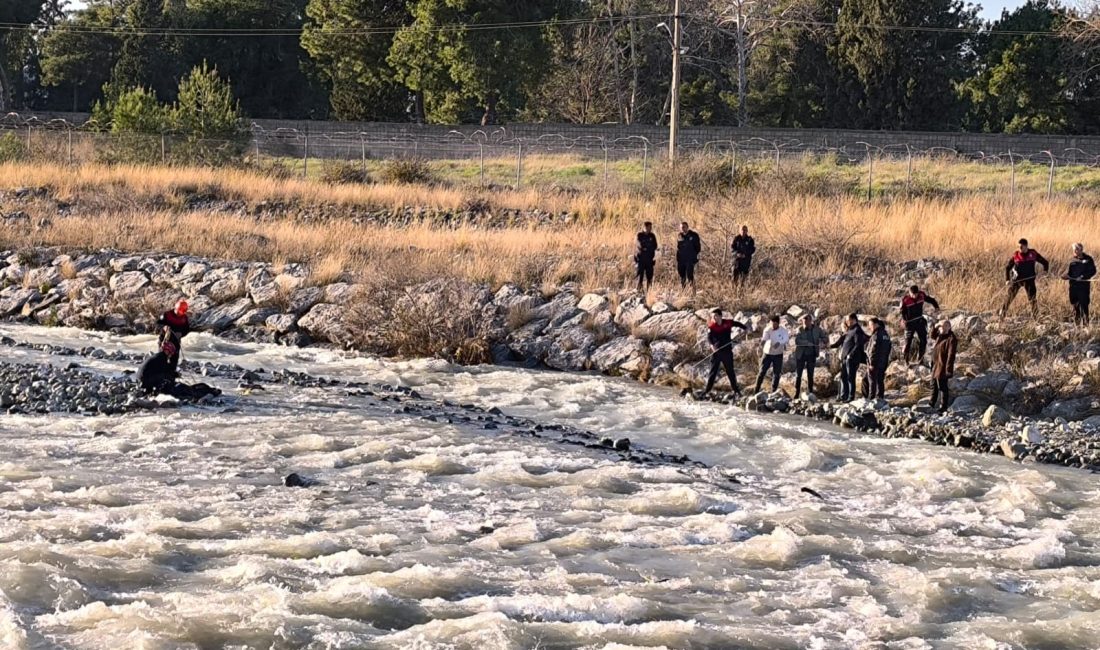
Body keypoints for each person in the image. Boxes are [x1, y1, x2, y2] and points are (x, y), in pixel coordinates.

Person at [699, 308, 749, 398]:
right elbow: (709, 338)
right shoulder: (712, 327)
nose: (714, 318)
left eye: (716, 316)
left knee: (730, 372)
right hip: (717, 352)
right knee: (713, 372)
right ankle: (707, 390)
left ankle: (736, 391)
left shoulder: (728, 323)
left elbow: (737, 323)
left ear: (720, 316)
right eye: (713, 316)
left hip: (727, 352)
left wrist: (745, 328)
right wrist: (712, 346)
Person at [999, 238, 1049, 318]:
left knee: (1032, 299)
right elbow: (1008, 267)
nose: (1020, 248)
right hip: (1017, 280)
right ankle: (1002, 314)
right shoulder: (1016, 255)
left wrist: (1045, 271)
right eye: (1018, 247)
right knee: (1009, 297)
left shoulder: (1033, 253)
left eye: (1021, 247)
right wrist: (1007, 279)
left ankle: (1036, 318)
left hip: (1029, 280)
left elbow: (1045, 262)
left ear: (1026, 246)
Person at [830, 314, 868, 403]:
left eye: (848, 320)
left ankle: (851, 397)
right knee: (844, 377)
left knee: (850, 378)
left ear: (853, 319)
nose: (847, 322)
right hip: (845, 359)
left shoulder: (857, 330)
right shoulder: (850, 331)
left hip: (851, 358)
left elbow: (858, 344)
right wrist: (830, 346)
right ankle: (844, 396)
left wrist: (850, 355)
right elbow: (840, 342)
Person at [899, 285, 940, 365]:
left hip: (919, 321)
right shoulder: (905, 300)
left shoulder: (921, 295)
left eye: (916, 294)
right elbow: (902, 311)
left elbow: (930, 300)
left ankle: (920, 359)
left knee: (923, 340)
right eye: (913, 294)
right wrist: (904, 319)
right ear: (909, 293)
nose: (914, 296)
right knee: (908, 342)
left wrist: (936, 307)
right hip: (909, 323)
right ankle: (906, 361)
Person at [793, 314, 829, 398]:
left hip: (812, 355)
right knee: (798, 375)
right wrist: (807, 343)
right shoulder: (799, 329)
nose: (804, 323)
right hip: (801, 355)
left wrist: (821, 341)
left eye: (806, 322)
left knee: (810, 374)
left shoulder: (817, 329)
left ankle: (811, 392)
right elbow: (797, 341)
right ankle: (796, 393)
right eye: (803, 322)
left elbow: (825, 338)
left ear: (810, 321)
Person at [1063, 242, 1096, 327]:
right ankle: (1077, 326)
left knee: (1084, 306)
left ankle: (1086, 326)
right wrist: (1066, 276)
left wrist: (1082, 276)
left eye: (1076, 249)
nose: (1075, 251)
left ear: (1081, 250)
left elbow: (1093, 271)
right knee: (1075, 306)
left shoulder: (1088, 259)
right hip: (1073, 287)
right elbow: (1069, 273)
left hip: (1083, 287)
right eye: (1074, 250)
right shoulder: (1072, 260)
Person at [755, 315, 789, 394]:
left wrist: (779, 343)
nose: (773, 325)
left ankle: (773, 392)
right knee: (761, 372)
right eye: (772, 323)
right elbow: (765, 338)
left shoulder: (783, 330)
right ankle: (756, 390)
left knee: (776, 374)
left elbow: (786, 339)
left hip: (778, 354)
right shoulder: (767, 329)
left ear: (778, 323)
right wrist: (762, 343)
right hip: (767, 354)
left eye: (775, 324)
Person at [929, 319, 958, 413]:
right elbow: (932, 336)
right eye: (942, 326)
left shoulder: (951, 338)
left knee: (942, 386)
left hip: (943, 365)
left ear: (949, 327)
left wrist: (948, 369)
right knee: (933, 385)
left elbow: (951, 355)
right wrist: (936, 327)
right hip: (935, 364)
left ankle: (943, 406)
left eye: (945, 326)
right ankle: (931, 403)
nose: (943, 328)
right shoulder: (940, 336)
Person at [157, 299, 191, 375]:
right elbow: (158, 324)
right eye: (178, 311)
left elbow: (187, 329)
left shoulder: (184, 318)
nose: (179, 314)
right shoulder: (167, 315)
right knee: (161, 357)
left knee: (174, 360)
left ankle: (171, 374)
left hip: (175, 341)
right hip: (164, 340)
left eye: (181, 312)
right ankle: (159, 373)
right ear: (175, 308)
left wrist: (181, 334)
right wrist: (164, 327)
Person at [863, 318, 892, 400]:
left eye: (871, 325)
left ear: (876, 324)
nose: (869, 327)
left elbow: (874, 350)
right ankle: (880, 397)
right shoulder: (886, 335)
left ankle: (871, 398)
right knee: (880, 380)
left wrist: (871, 363)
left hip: (875, 362)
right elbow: (889, 348)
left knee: (872, 380)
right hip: (883, 361)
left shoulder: (876, 335)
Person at [675, 222, 702, 291]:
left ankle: (693, 292)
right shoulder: (679, 236)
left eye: (684, 227)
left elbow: (698, 248)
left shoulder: (694, 235)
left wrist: (693, 255)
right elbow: (678, 247)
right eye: (681, 227)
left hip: (690, 259)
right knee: (682, 276)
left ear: (687, 227)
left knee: (690, 275)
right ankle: (683, 292)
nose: (683, 228)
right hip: (681, 259)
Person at [634, 222, 658, 293]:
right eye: (648, 227)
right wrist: (648, 247)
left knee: (649, 277)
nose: (650, 229)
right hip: (640, 259)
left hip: (650, 259)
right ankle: (638, 291)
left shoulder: (652, 236)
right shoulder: (639, 235)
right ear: (644, 227)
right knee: (640, 276)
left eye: (651, 227)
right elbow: (640, 245)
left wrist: (647, 248)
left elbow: (655, 246)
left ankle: (649, 291)